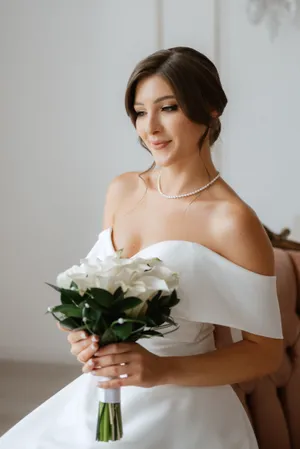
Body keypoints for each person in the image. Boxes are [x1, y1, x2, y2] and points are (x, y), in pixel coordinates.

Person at [0, 46, 283, 449]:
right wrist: (85, 334)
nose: (150, 127)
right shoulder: (122, 190)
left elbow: (264, 354)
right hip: (100, 395)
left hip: (183, 408)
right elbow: (97, 292)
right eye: (139, 110)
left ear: (211, 109)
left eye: (168, 108)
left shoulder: (232, 220)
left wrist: (160, 370)